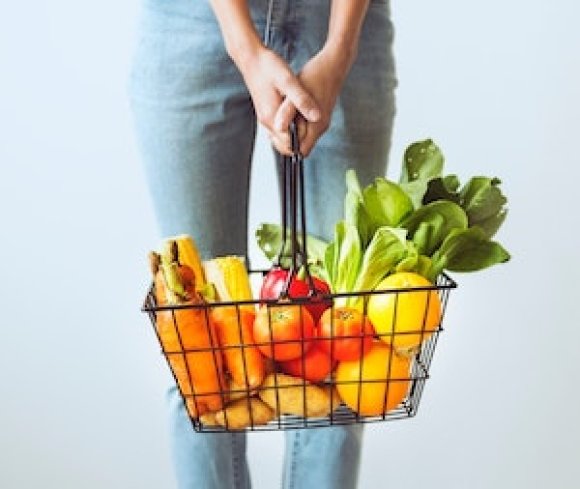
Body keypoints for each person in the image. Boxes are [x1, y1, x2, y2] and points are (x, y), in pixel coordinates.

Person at [129, 0, 396, 487]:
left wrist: (340, 48)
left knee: (343, 344)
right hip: (192, 20)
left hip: (340, 20)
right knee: (198, 351)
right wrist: (244, 47)